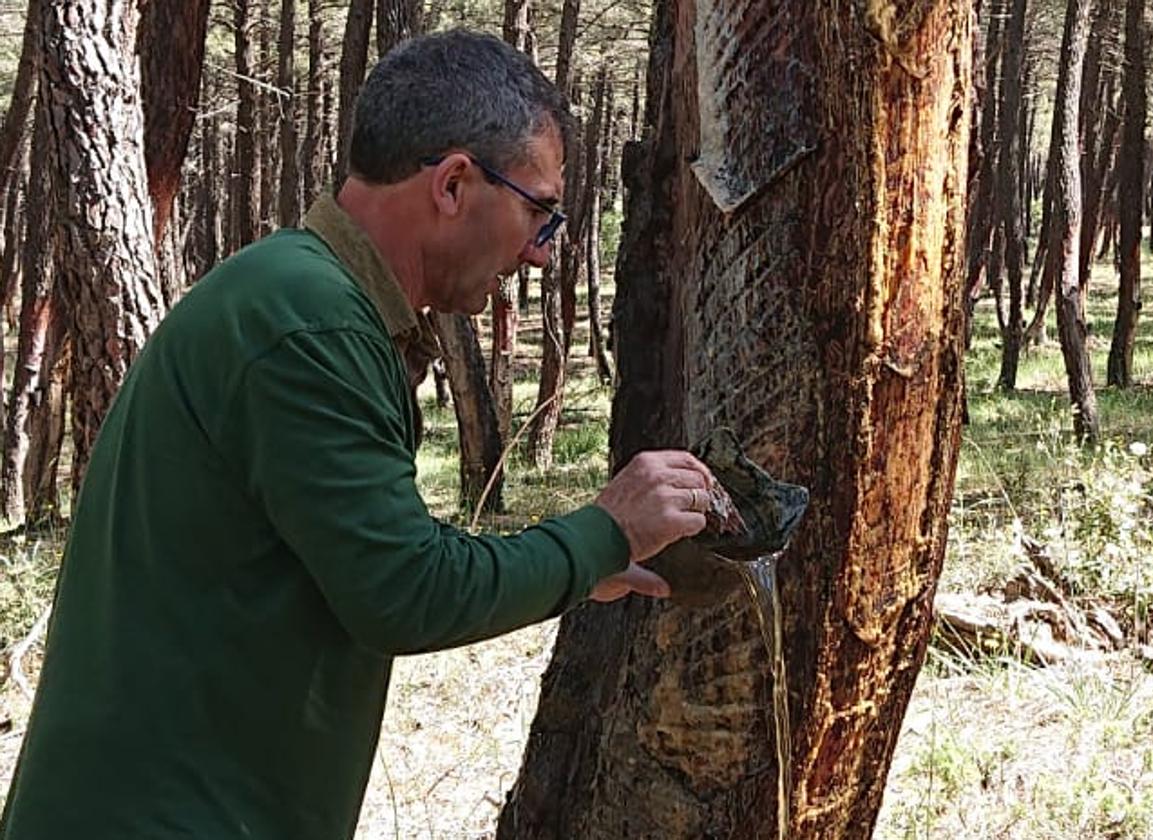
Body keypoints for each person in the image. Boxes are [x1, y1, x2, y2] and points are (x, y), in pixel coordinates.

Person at [0, 29, 714, 840]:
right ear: (452, 185)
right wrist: (600, 535)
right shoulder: (310, 325)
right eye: (540, 211)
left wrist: (585, 562)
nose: (542, 256)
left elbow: (369, 557)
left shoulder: (303, 298)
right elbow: (406, 592)